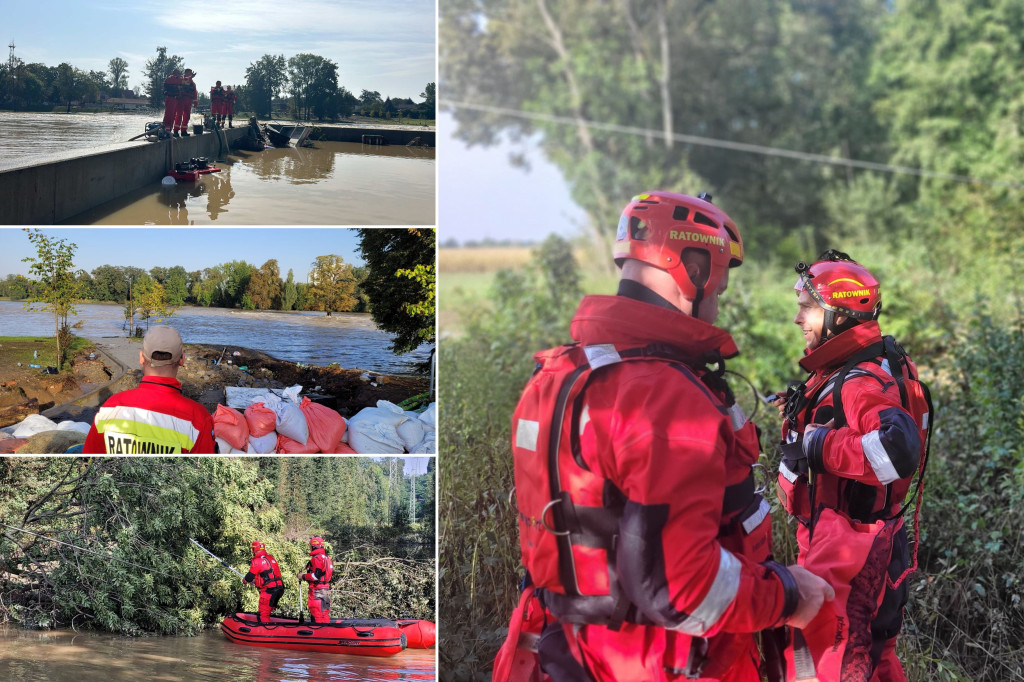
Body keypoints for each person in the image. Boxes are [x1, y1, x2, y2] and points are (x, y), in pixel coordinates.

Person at [496, 191, 834, 682]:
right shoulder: (663, 396)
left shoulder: (559, 376)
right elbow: (678, 587)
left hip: (566, 653)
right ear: (692, 270)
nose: (718, 301)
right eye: (718, 284)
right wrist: (789, 594)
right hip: (655, 662)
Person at [774, 250, 930, 681]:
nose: (797, 318)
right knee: (873, 661)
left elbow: (898, 450)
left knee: (828, 665)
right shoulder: (844, 367)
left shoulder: (860, 379)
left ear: (839, 315)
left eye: (806, 307)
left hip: (851, 548)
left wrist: (819, 445)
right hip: (856, 541)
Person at [83, 326, 215, 454]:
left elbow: (90, 456)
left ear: (141, 358)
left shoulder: (110, 408)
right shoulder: (198, 419)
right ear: (182, 360)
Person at [243, 540, 285, 622]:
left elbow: (249, 577)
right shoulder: (271, 558)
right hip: (279, 589)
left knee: (263, 614)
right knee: (268, 611)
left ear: (255, 549)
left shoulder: (257, 561)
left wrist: (245, 580)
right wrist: (256, 582)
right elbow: (268, 576)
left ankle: (267, 632)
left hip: (269, 591)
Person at [298, 536, 333, 623]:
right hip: (325, 589)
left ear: (313, 546)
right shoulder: (327, 558)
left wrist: (302, 576)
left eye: (310, 545)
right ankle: (327, 632)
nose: (309, 547)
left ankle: (320, 634)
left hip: (317, 591)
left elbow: (316, 576)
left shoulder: (317, 559)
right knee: (324, 614)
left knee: (317, 614)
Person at [175, 68, 198, 137]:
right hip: (181, 100)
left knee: (187, 116)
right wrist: (190, 77)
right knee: (179, 115)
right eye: (188, 73)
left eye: (190, 74)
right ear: (185, 74)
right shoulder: (182, 80)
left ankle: (184, 130)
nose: (190, 75)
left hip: (189, 101)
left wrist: (195, 101)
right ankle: (176, 131)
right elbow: (185, 81)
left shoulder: (193, 84)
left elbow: (195, 93)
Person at [161, 68, 182, 136]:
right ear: (175, 73)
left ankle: (169, 129)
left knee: (173, 115)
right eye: (178, 73)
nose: (179, 75)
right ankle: (166, 129)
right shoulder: (171, 79)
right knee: (169, 114)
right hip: (171, 98)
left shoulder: (176, 79)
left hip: (175, 99)